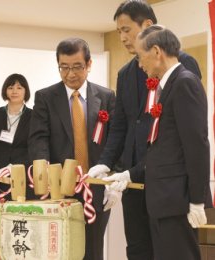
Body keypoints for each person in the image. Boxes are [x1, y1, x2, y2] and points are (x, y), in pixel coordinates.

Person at [87, 1, 203, 259]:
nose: (122, 37)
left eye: (126, 29)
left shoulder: (183, 67)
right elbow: (120, 126)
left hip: (167, 178)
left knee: (171, 250)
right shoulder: (126, 73)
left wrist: (198, 197)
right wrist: (105, 163)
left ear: (148, 27)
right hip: (133, 177)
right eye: (118, 31)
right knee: (138, 249)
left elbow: (191, 135)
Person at [28, 37, 116, 260]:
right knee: (61, 249)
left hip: (95, 188)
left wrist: (113, 178)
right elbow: (39, 139)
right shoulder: (45, 97)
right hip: (59, 189)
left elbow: (116, 139)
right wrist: (45, 173)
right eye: (63, 67)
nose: (70, 74)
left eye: (77, 67)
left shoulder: (106, 97)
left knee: (93, 249)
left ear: (88, 64)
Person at [0, 73, 35, 200]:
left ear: (26, 92)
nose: (14, 91)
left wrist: (16, 167)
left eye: (19, 87)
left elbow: (35, 148)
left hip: (23, 176)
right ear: (5, 91)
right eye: (10, 87)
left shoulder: (34, 117)